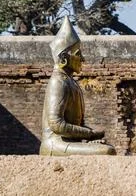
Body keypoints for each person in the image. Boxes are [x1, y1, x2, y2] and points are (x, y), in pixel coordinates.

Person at [39, 16, 116, 156]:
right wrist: (89, 134)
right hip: (55, 143)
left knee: (107, 148)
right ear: (63, 59)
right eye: (77, 54)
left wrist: (90, 137)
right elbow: (57, 125)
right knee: (107, 151)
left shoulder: (70, 82)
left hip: (69, 141)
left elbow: (76, 124)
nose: (82, 59)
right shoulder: (58, 81)